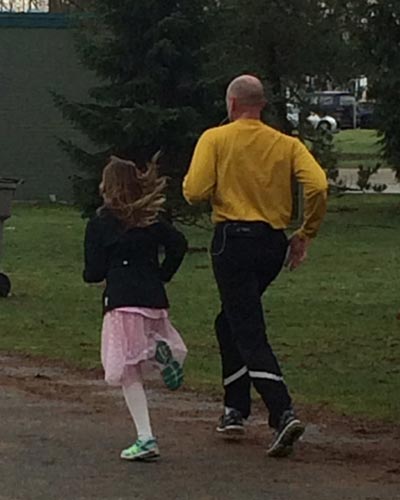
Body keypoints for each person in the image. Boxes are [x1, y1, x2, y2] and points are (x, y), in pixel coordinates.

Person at [183, 74, 328, 457]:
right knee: (228, 320)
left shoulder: (215, 138)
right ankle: (235, 408)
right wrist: (306, 232)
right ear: (261, 105)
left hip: (232, 240)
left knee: (247, 327)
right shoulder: (287, 144)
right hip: (271, 245)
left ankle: (282, 411)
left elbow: (195, 191)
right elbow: (317, 186)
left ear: (231, 104)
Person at [84, 155, 188, 462]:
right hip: (153, 298)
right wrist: (163, 273)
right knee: (138, 355)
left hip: (121, 299)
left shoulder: (101, 221)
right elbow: (179, 244)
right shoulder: (150, 219)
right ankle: (160, 351)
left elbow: (93, 271)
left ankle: (146, 436)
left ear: (108, 185)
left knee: (127, 369)